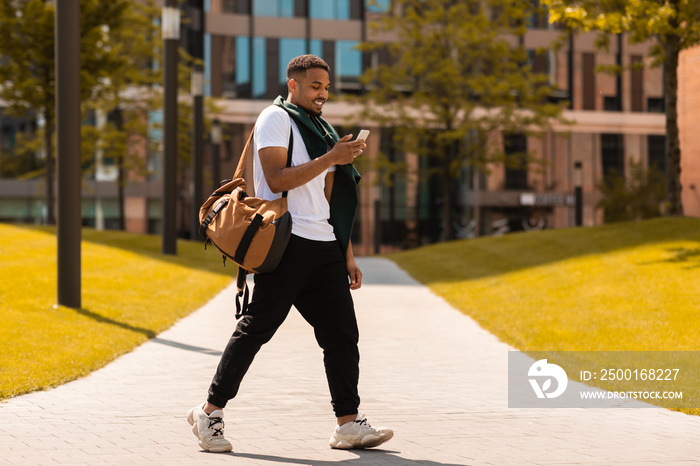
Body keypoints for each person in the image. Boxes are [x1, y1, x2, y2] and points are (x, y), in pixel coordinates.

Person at [187, 54, 393, 453]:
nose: (323, 94)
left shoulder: (322, 129)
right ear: (293, 84)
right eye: (315, 86)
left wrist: (347, 253)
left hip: (323, 245)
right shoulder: (275, 119)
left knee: (341, 335)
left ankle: (347, 424)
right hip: (285, 242)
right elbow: (278, 177)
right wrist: (331, 157)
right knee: (256, 330)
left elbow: (329, 201)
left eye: (327, 88)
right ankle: (208, 413)